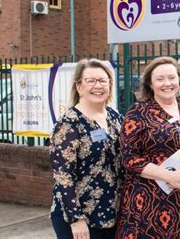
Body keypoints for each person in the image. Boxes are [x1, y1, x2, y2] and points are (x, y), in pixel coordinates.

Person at [116, 56, 180, 238]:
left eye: (172, 77)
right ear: (150, 83)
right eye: (160, 79)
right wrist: (168, 176)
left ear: (179, 80)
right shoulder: (138, 112)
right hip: (149, 201)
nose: (167, 83)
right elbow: (129, 158)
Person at [50, 59, 123, 239]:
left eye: (103, 81)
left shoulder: (115, 118)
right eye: (90, 81)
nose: (97, 86)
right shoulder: (69, 124)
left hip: (111, 213)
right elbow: (63, 175)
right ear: (79, 86)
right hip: (80, 218)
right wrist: (76, 219)